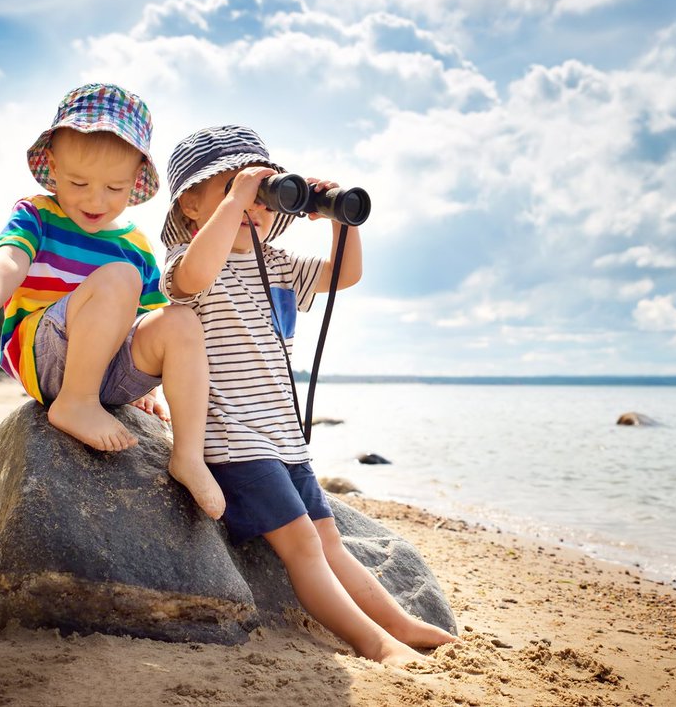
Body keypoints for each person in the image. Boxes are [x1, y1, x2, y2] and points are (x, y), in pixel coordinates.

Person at [160, 125, 457, 666]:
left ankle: (397, 622)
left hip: (284, 439)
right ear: (190, 204)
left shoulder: (279, 265)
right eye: (230, 188)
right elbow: (195, 275)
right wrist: (236, 200)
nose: (251, 203)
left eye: (262, 195)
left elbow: (346, 273)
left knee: (330, 542)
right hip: (234, 440)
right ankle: (374, 643)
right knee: (301, 546)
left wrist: (339, 218)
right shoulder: (185, 262)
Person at [0, 83, 224, 520]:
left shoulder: (134, 242)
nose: (95, 200)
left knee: (181, 320)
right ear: (53, 168)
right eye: (79, 182)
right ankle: (76, 402)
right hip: (49, 353)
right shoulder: (38, 213)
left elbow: (148, 321)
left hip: (107, 371)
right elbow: (11, 256)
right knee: (120, 279)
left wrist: (144, 385)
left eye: (114, 187)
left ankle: (188, 453)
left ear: (136, 180)